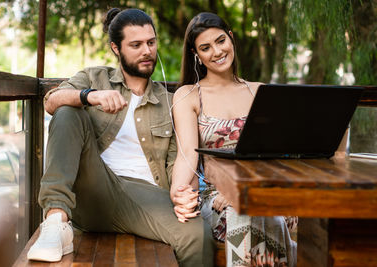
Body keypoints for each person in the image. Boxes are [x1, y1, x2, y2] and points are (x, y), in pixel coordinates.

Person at [27, 8, 214, 267]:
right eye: (136, 45)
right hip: (94, 189)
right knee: (68, 111)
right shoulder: (94, 77)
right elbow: (51, 101)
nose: (147, 51)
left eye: (151, 42)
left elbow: (181, 160)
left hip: (145, 197)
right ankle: (55, 220)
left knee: (198, 234)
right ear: (116, 48)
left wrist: (185, 193)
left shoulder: (171, 103)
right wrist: (89, 96)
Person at [171, 12, 297, 267]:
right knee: (245, 213)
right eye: (205, 48)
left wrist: (247, 192)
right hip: (217, 198)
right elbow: (187, 154)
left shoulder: (259, 91)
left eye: (220, 41)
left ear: (231, 38)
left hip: (264, 189)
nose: (216, 51)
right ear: (197, 55)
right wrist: (178, 193)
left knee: (267, 211)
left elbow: (276, 154)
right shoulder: (189, 95)